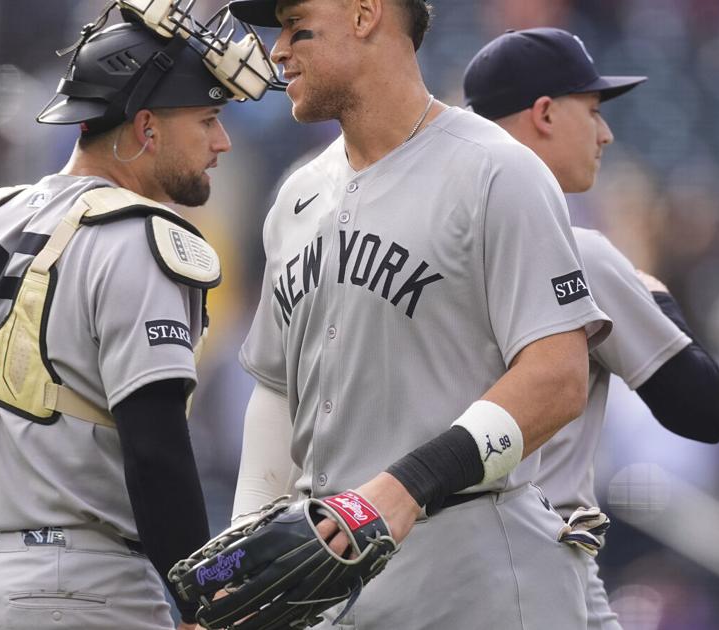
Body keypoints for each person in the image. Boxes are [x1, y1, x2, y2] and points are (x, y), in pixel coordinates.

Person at [0, 3, 279, 628]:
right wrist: (202, 604)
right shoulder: (138, 239)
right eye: (207, 119)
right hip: (83, 592)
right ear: (146, 127)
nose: (221, 141)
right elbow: (156, 451)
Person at [225, 0, 611, 627]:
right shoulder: (297, 195)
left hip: (477, 582)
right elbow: (274, 389)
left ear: (364, 14)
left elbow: (558, 377)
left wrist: (405, 485)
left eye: (296, 25)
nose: (277, 49)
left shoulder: (496, 169)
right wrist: (247, 541)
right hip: (333, 586)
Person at [463, 27, 719, 629]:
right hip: (542, 571)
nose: (605, 132)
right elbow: (703, 411)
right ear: (545, 114)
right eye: (592, 109)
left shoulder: (424, 251)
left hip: (427, 570)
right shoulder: (576, 253)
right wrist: (658, 299)